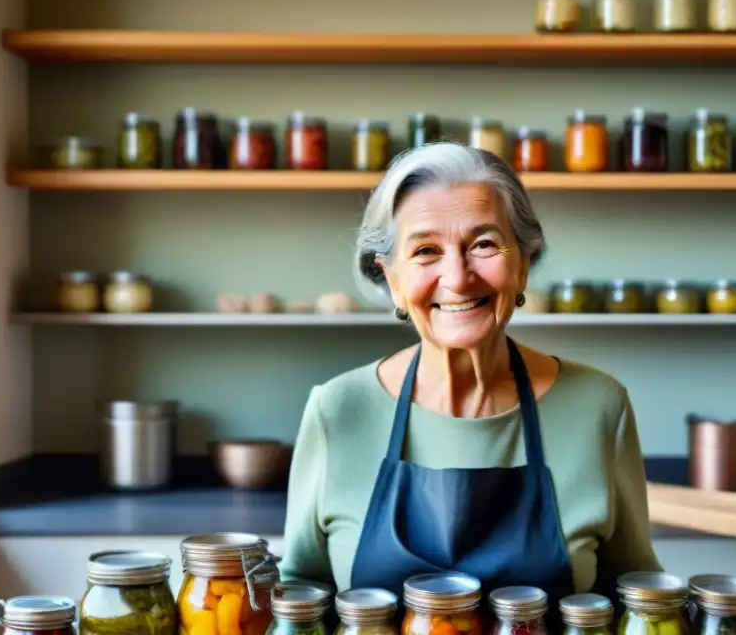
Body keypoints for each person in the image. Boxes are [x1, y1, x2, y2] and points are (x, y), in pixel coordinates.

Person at [279, 142, 660, 602]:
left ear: (524, 263)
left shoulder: (599, 406)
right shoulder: (337, 410)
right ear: (392, 279)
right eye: (425, 251)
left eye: (483, 244)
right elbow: (301, 596)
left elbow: (637, 602)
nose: (458, 278)